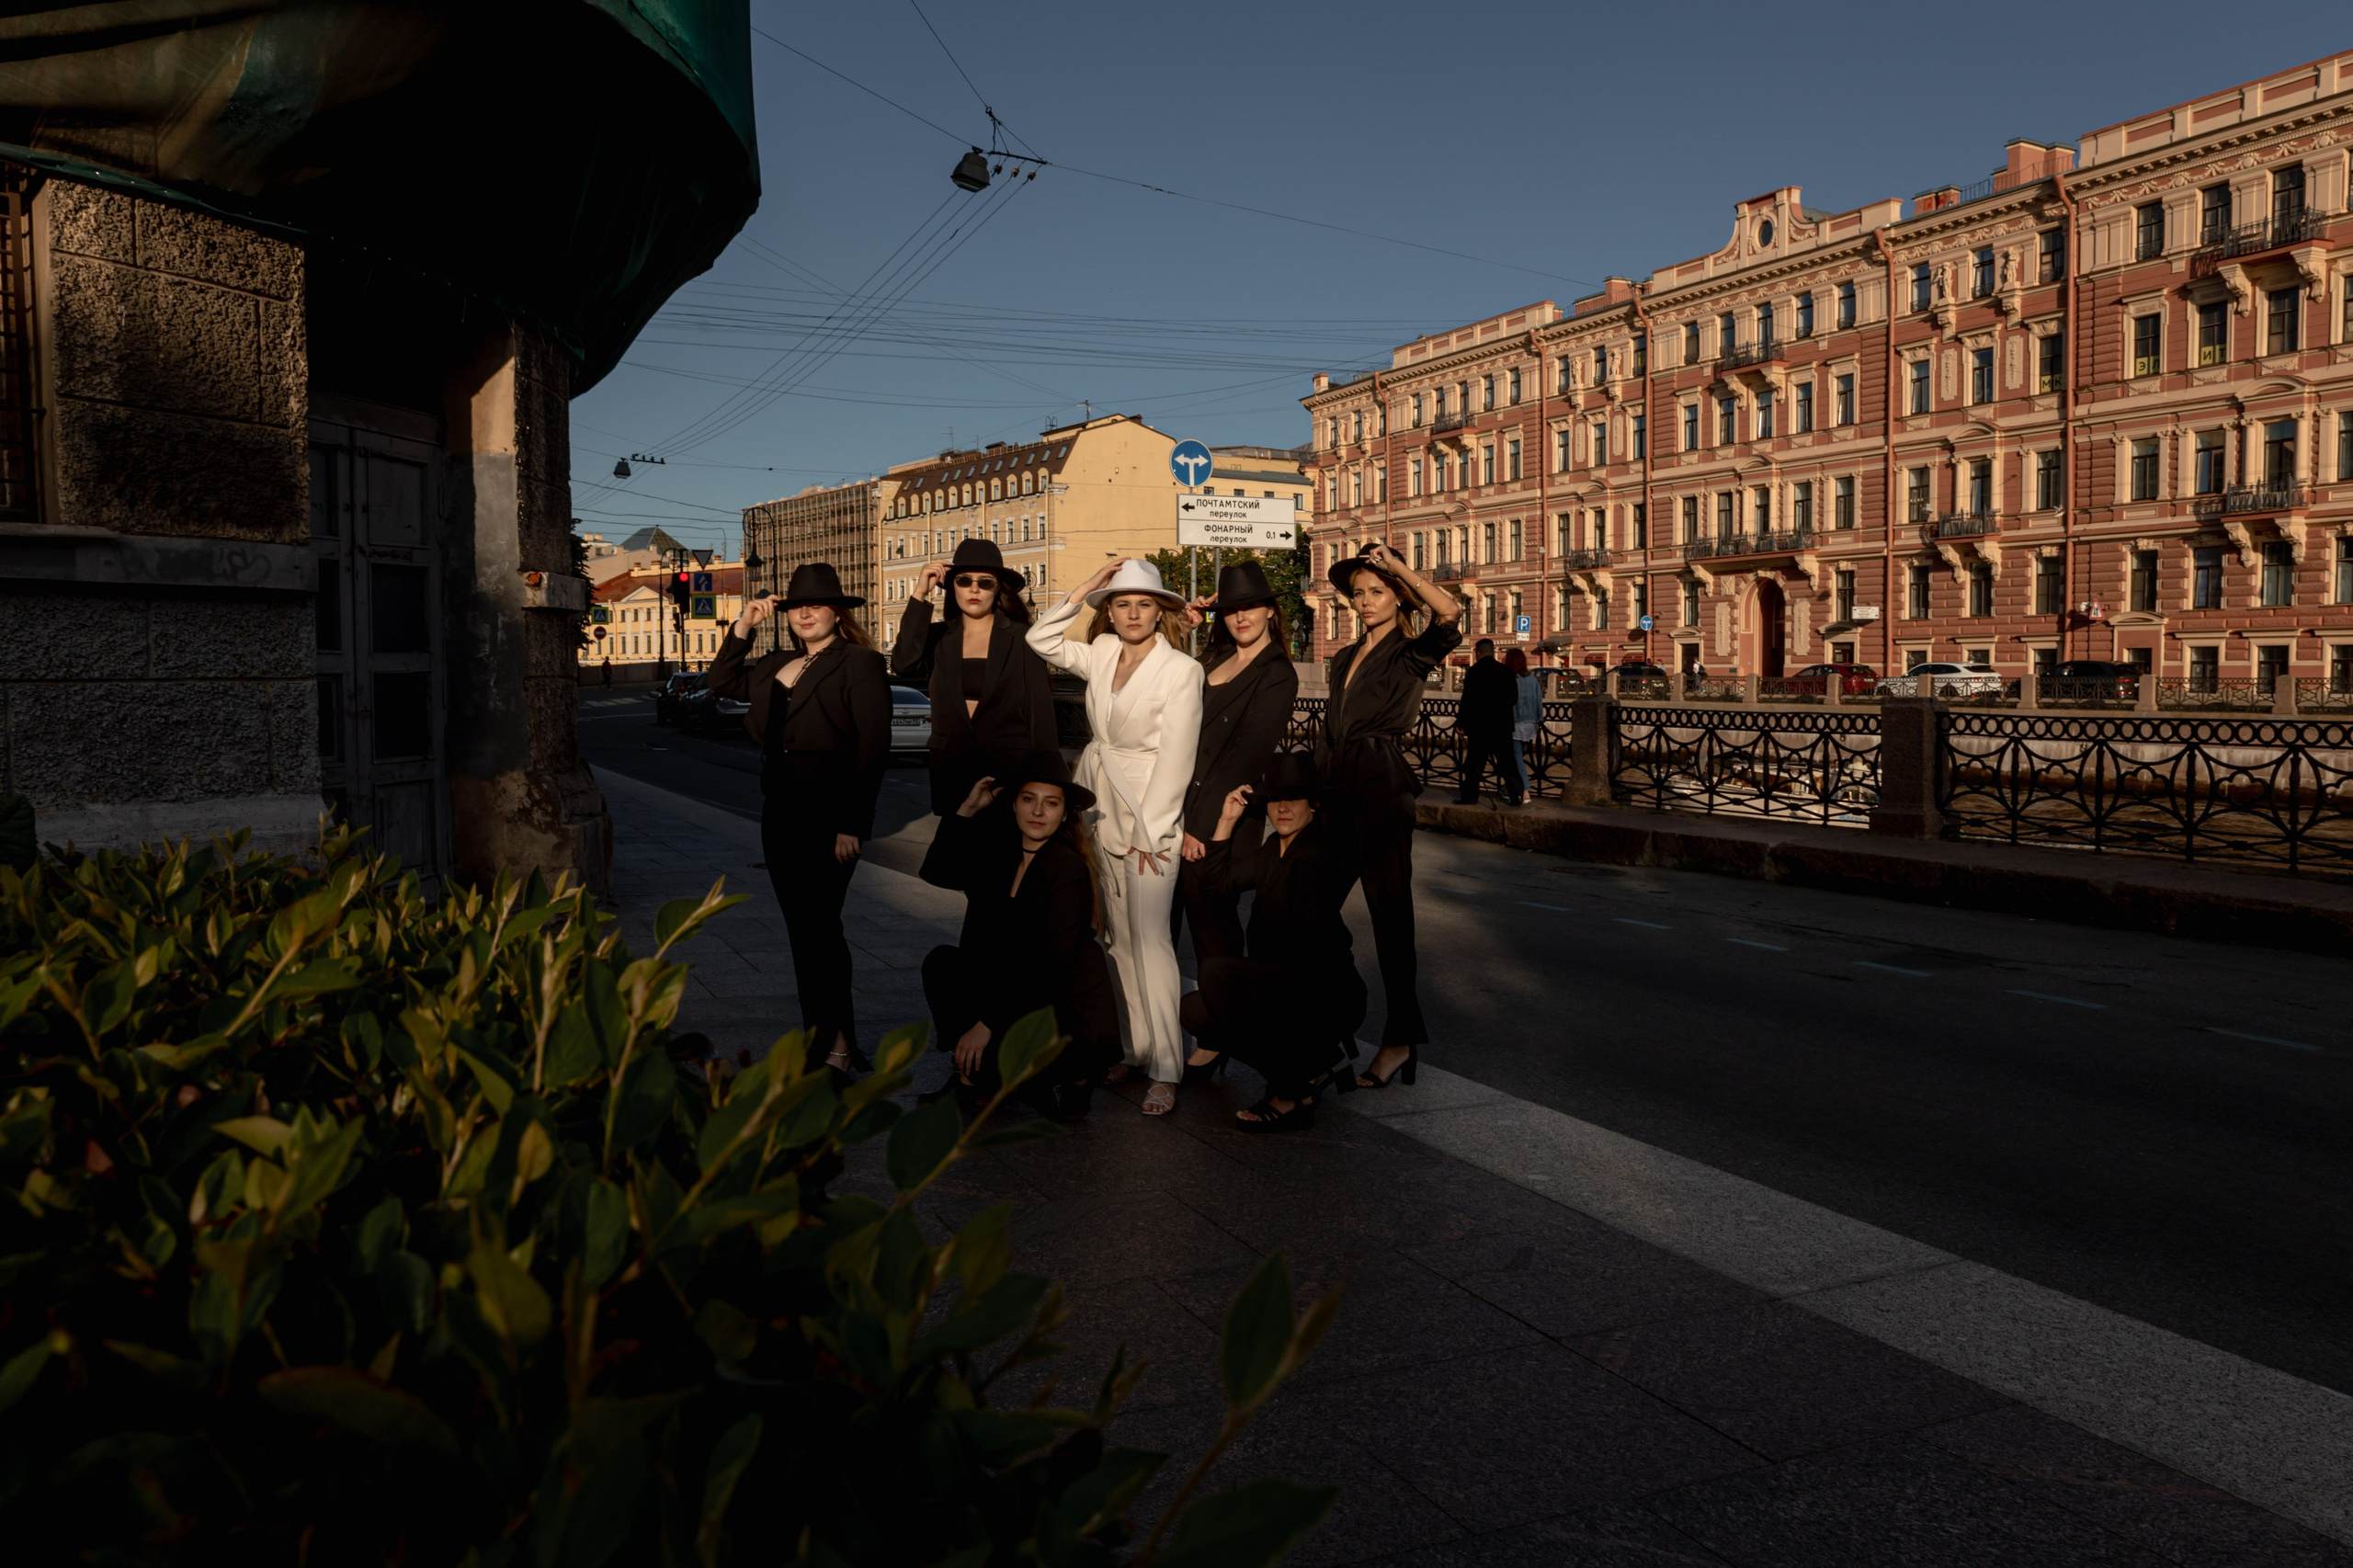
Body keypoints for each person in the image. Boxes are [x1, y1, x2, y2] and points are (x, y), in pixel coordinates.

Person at [1028, 558, 1203, 1115]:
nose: (1132, 613)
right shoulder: (1101, 653)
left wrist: (1154, 835)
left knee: (1152, 943)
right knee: (1117, 941)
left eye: (1144, 603)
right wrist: (1085, 588)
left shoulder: (1181, 671)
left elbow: (1177, 758)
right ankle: (1133, 1049)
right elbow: (1040, 636)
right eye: (1122, 603)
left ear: (1162, 611)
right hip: (1100, 806)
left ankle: (1168, 1068)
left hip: (1151, 817)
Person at [707, 563, 892, 1077]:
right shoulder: (775, 663)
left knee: (821, 931)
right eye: (794, 607)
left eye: (815, 605)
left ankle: (833, 1048)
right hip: (781, 814)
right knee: (804, 933)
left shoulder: (859, 663)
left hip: (832, 815)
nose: (804, 613)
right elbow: (721, 682)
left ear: (838, 612)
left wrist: (854, 823)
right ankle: (832, 1043)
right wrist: (743, 625)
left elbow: (873, 749)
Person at [1316, 540, 1462, 1091]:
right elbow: (1331, 729)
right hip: (1335, 784)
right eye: (1357, 594)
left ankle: (1399, 1040)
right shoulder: (1344, 657)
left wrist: (1398, 567)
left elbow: (1448, 615)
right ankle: (1336, 1017)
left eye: (1376, 592)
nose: (1364, 602)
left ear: (1399, 596)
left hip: (1380, 783)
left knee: (1390, 918)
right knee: (1308, 908)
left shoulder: (1410, 651)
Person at [920, 753, 1117, 1119]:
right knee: (942, 964)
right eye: (1029, 799)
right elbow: (936, 872)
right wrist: (965, 810)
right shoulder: (1000, 854)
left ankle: (1069, 1078)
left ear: (1064, 813)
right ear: (1013, 805)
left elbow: (1049, 968)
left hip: (1057, 1004)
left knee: (1047, 1097)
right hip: (1014, 989)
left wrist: (986, 1024)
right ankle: (975, 1075)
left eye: (1051, 803)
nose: (1038, 812)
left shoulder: (1065, 868)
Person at [1180, 753, 1366, 1132]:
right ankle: (1315, 1064)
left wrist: (1247, 986)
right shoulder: (1273, 849)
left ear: (1312, 804)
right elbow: (1215, 886)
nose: (1282, 808)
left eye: (1293, 799)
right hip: (1288, 984)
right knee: (1196, 1011)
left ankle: (1291, 1093)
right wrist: (1226, 822)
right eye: (1275, 800)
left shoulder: (1317, 853)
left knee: (1218, 975)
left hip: (1325, 991)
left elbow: (1302, 944)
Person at [1175, 559, 1300, 970]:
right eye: (1230, 609)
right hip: (1173, 811)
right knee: (1158, 930)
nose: (1240, 616)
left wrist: (1199, 827)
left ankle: (1227, 1026)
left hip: (1219, 819)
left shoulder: (1277, 673)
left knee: (1215, 936)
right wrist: (1180, 629)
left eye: (1250, 606)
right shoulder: (1212, 656)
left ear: (1270, 611)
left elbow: (1247, 755)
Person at [892, 538, 1057, 817]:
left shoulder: (1021, 638)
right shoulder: (938, 636)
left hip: (1008, 770)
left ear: (998, 589)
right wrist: (920, 592)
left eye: (986, 582)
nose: (974, 589)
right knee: (954, 855)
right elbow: (904, 664)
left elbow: (1039, 711)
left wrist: (1049, 780)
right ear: (951, 586)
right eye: (964, 581)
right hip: (952, 768)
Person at [1455, 637, 1518, 806]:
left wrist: (1461, 724)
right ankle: (1516, 796)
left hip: (1479, 727)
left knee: (1474, 764)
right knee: (1507, 762)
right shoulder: (1506, 671)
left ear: (1478, 653)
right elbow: (1513, 698)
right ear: (1493, 652)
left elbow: (1467, 701)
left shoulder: (1474, 672)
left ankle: (1470, 797)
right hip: (1502, 726)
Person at [1506, 648, 1542, 803]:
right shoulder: (1532, 679)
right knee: (1518, 755)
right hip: (1530, 723)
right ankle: (1511, 787)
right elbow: (1539, 701)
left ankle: (1524, 789)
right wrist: (1538, 720)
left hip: (1515, 723)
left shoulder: (1510, 678)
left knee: (1516, 757)